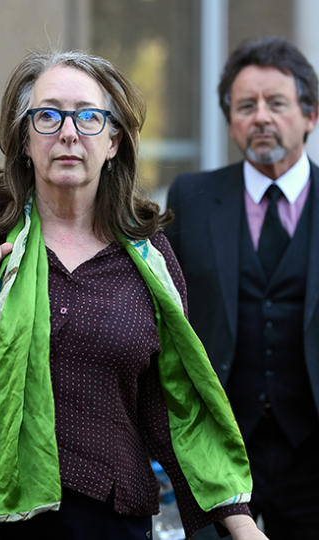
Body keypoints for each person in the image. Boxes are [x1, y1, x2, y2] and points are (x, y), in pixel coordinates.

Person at [0, 51, 265, 540]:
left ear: (113, 141)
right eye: (48, 116)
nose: (68, 133)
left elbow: (172, 400)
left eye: (89, 117)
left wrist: (239, 522)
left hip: (106, 518)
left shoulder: (149, 255)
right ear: (25, 139)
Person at [166, 36, 319, 540]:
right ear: (230, 119)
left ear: (310, 115)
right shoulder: (191, 197)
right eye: (245, 106)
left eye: (276, 103)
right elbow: (167, 317)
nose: (260, 118)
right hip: (218, 448)